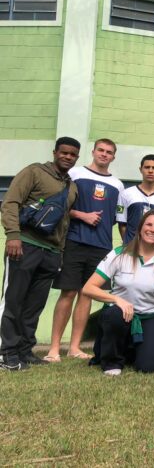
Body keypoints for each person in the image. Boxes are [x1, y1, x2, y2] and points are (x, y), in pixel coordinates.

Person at [0, 137, 80, 371]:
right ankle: (6, 353)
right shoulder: (34, 172)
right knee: (13, 300)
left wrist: (60, 253)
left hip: (51, 252)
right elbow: (11, 202)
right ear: (55, 152)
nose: (67, 157)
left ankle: (25, 350)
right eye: (64, 153)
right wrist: (13, 235)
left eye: (72, 154)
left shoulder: (71, 186)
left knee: (35, 304)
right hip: (25, 244)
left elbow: (64, 223)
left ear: (76, 157)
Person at [45, 139, 124, 363]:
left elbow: (119, 219)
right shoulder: (76, 174)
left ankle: (75, 347)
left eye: (109, 152)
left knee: (86, 294)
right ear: (93, 151)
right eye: (101, 150)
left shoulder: (118, 185)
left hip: (101, 246)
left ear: (113, 157)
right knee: (68, 292)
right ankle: (53, 348)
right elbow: (60, 207)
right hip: (74, 242)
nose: (104, 154)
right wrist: (82, 215)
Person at [82, 210, 154, 376]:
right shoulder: (119, 253)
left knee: (149, 367)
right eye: (149, 224)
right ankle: (112, 360)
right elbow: (88, 288)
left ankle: (132, 350)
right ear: (140, 228)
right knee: (114, 315)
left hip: (149, 317)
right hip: (119, 315)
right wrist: (117, 300)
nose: (153, 229)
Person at [116, 154, 154, 244]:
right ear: (141, 169)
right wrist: (128, 245)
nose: (150, 171)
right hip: (130, 248)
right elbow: (122, 224)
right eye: (147, 167)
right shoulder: (126, 194)